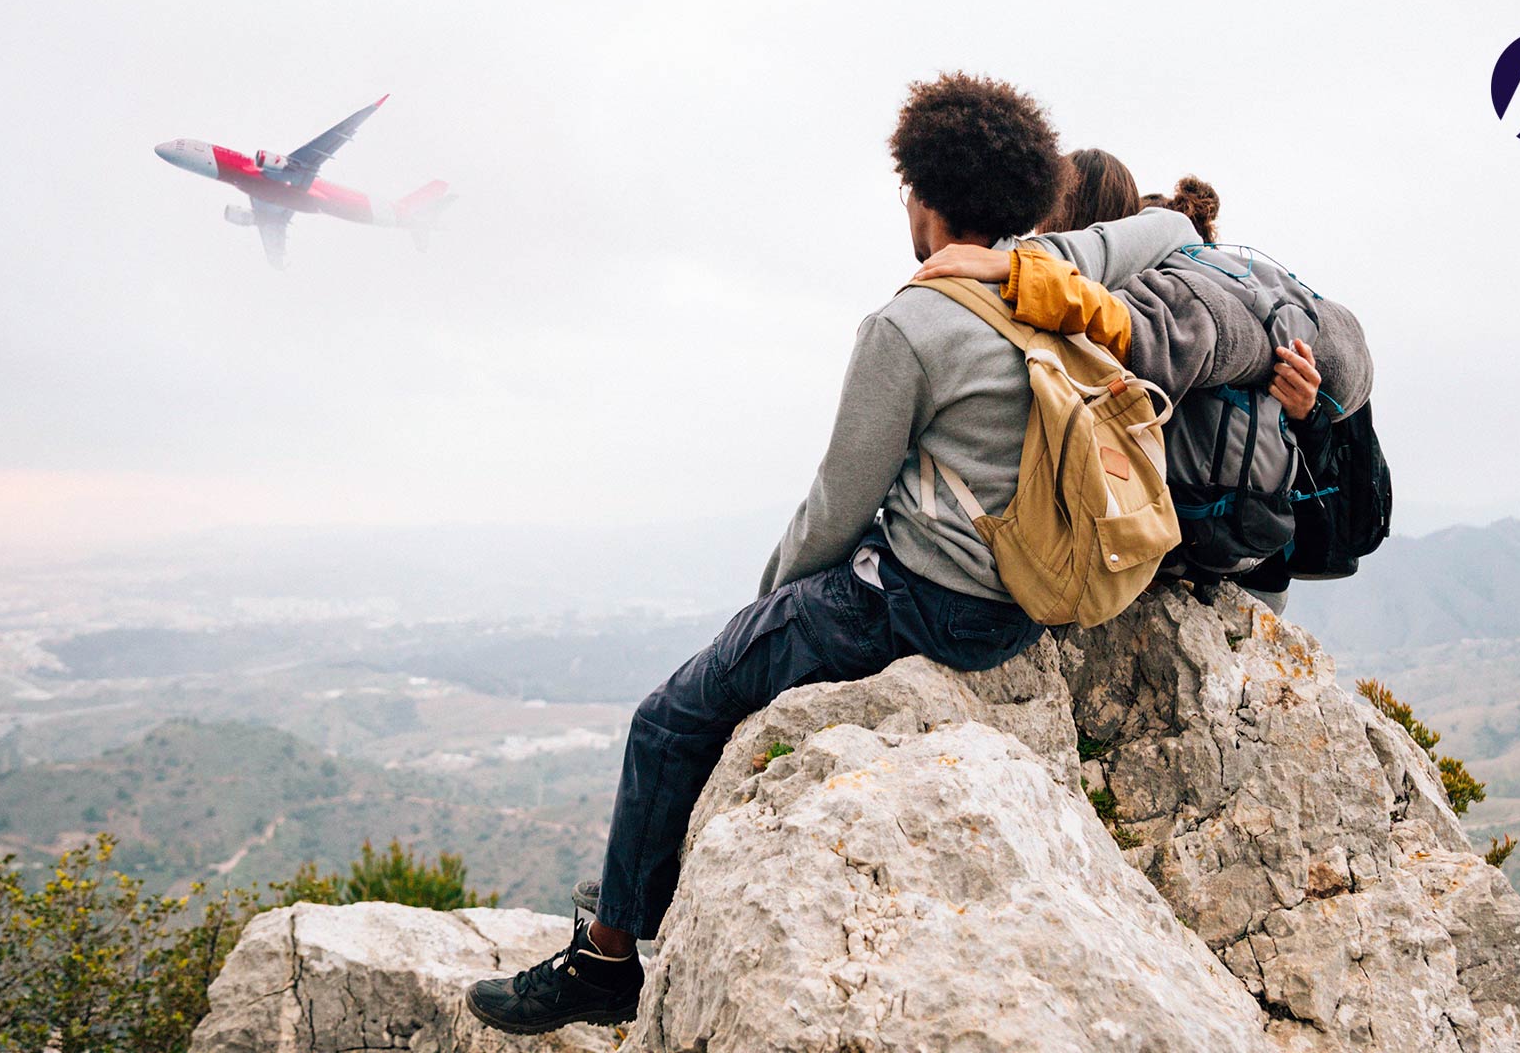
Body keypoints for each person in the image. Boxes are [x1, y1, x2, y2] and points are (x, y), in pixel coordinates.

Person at [463, 72, 1200, 1036]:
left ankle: (605, 963)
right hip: (1023, 604)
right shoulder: (1058, 270)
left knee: (670, 715)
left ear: (926, 200)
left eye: (907, 193)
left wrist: (760, 613)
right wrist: (1023, 266)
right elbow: (1176, 232)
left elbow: (837, 509)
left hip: (920, 600)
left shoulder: (907, 325)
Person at [921, 170, 1331, 614]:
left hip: (1160, 556)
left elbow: (1117, 328)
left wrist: (1019, 268)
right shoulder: (1256, 310)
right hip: (1253, 558)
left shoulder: (1149, 300)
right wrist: (1310, 415)